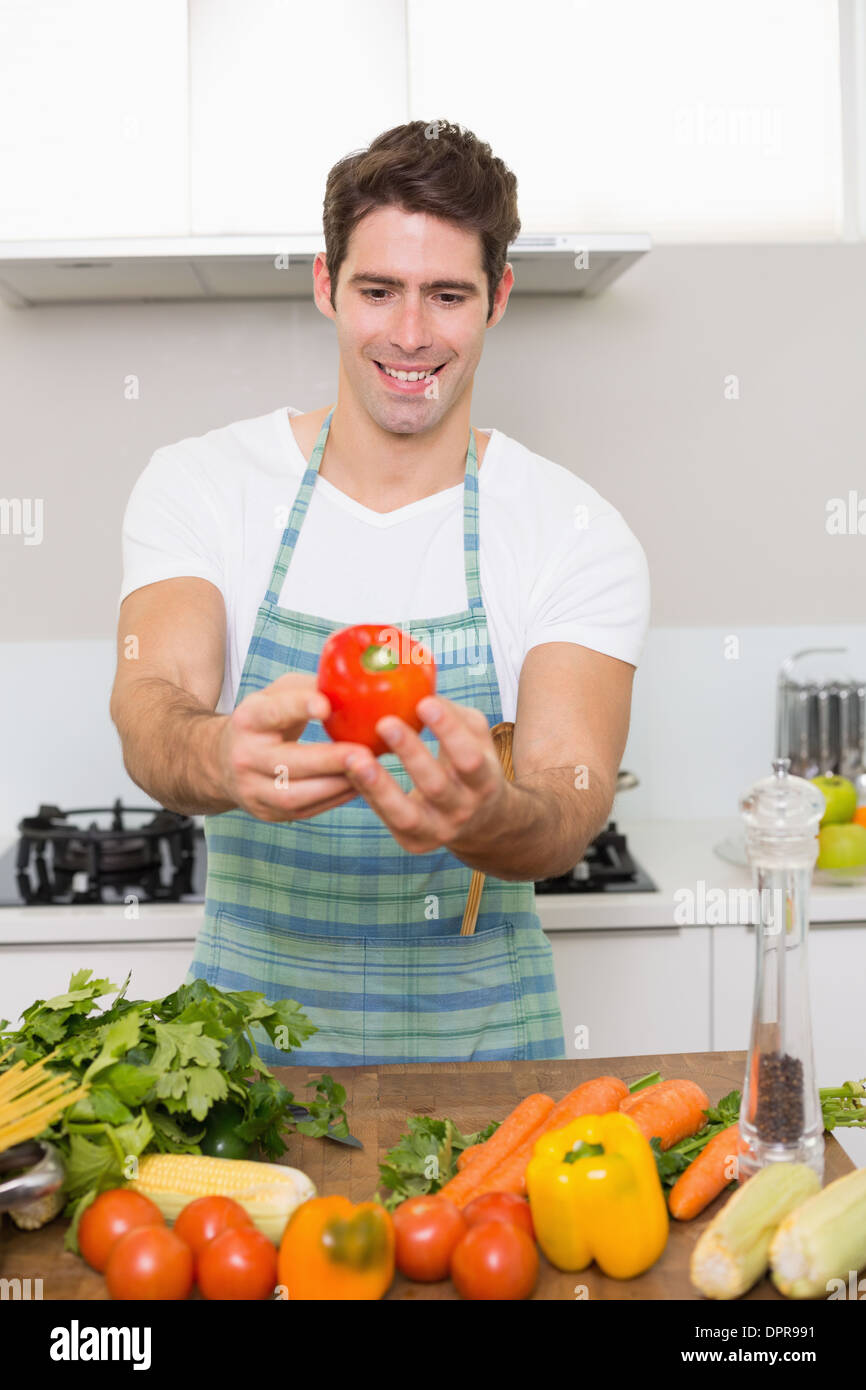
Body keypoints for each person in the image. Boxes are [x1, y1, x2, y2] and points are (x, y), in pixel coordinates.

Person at [111, 120, 650, 1067]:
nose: (410, 334)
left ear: (498, 299)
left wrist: (492, 819)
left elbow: (571, 792)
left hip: (491, 1068)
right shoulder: (202, 484)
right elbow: (149, 707)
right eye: (378, 290)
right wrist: (217, 753)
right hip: (239, 1069)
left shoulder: (573, 526)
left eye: (447, 295)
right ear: (326, 285)